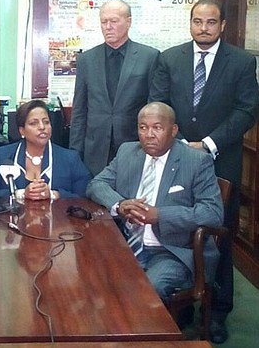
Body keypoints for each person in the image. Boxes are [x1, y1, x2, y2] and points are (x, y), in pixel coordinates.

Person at [149, 0, 259, 343]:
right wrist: (176, 140)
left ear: (222, 25)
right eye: (197, 21)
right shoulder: (170, 58)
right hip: (175, 157)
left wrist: (208, 143)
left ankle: (217, 311)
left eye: (211, 22)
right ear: (190, 23)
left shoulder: (241, 62)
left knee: (217, 234)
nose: (203, 28)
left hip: (220, 158)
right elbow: (160, 103)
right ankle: (180, 304)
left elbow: (247, 110)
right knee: (176, 226)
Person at [87, 103, 223, 312]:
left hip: (171, 250)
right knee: (89, 275)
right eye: (143, 127)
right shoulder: (127, 152)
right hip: (126, 243)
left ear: (173, 130)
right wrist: (120, 204)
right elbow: (97, 184)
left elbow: (212, 213)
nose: (149, 135)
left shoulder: (196, 161)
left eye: (157, 128)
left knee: (146, 289)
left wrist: (160, 215)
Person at [70, 0, 160, 176]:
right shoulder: (87, 59)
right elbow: (79, 109)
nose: (108, 27)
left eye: (114, 21)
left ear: (129, 21)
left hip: (134, 146)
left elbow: (154, 107)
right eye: (104, 22)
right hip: (95, 149)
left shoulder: (149, 57)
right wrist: (75, 152)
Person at [0, 99, 91, 200]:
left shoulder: (70, 159)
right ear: (22, 131)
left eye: (46, 122)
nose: (42, 127)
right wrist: (20, 194)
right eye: (34, 123)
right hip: (12, 219)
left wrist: (54, 194)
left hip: (57, 219)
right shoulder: (1, 156)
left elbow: (85, 196)